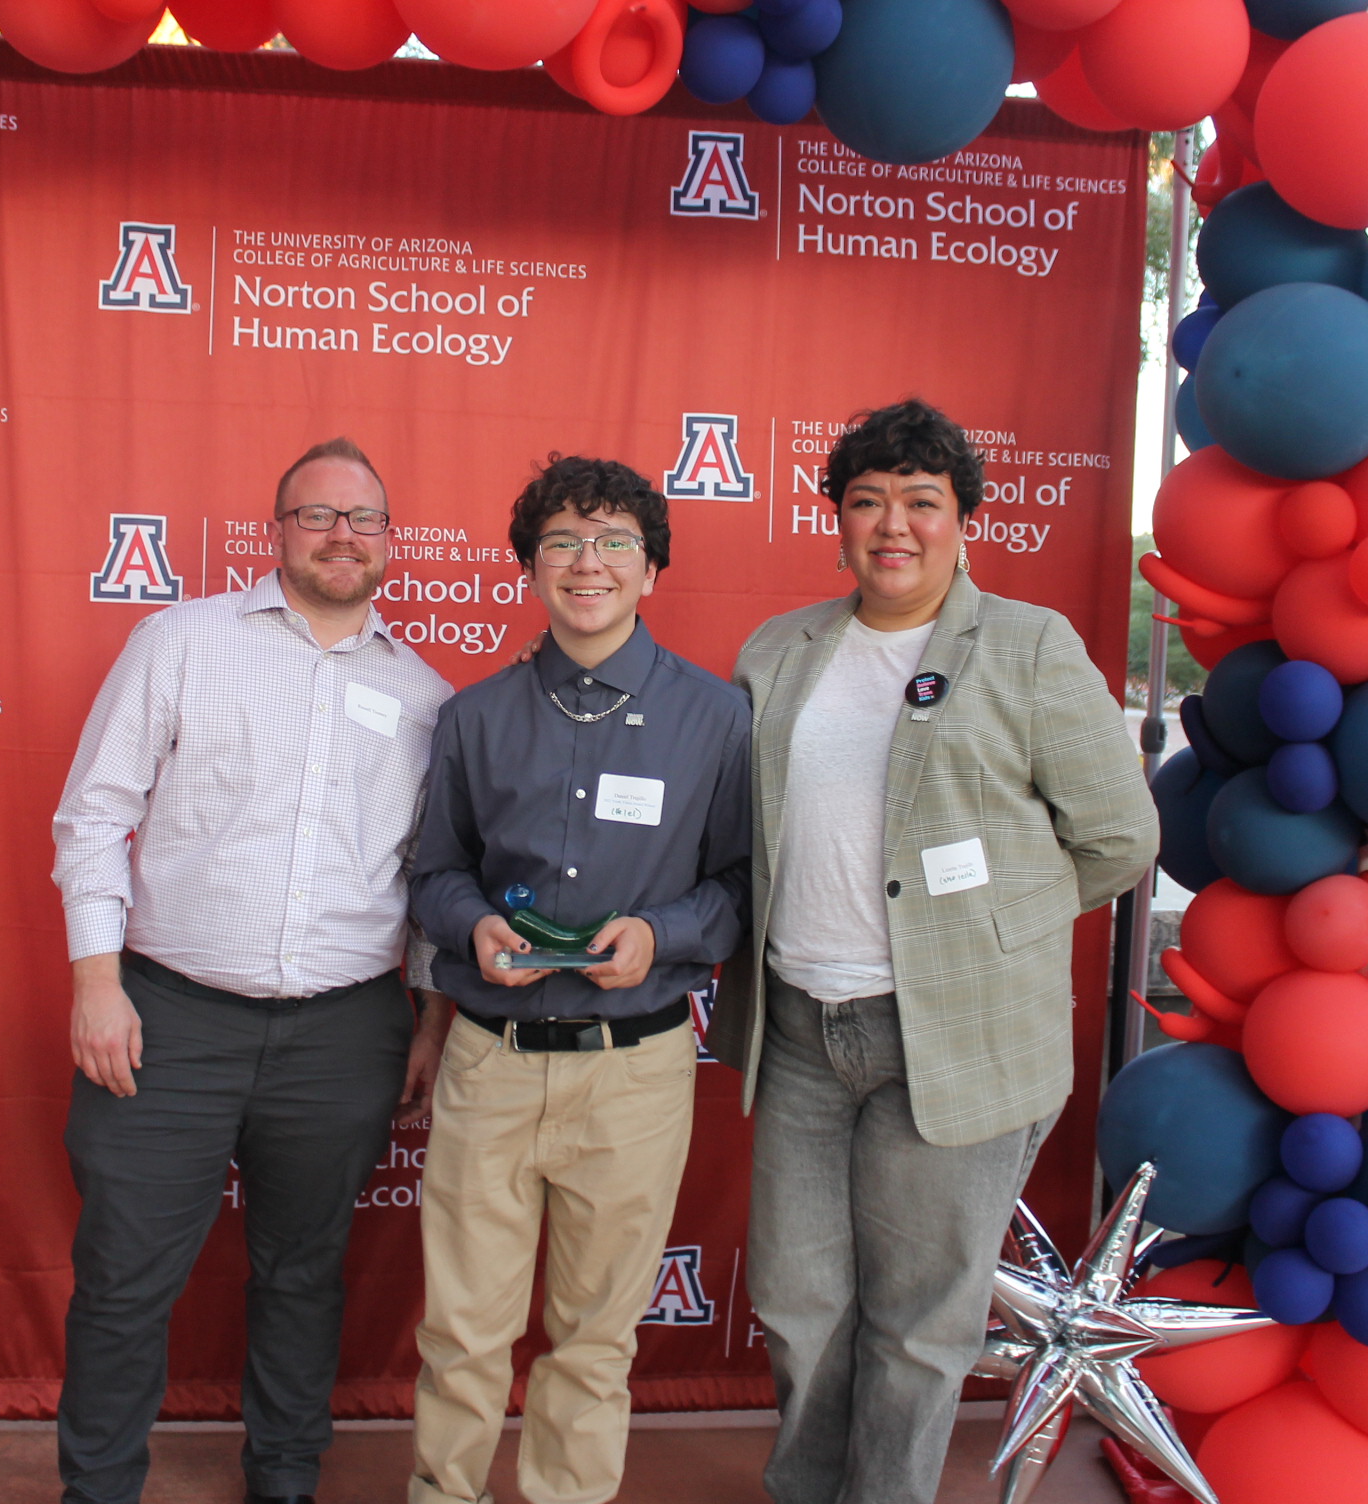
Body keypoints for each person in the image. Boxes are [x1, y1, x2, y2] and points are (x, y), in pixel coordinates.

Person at [709, 400, 1159, 1504]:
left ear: (965, 520)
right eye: (868, 502)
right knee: (799, 1299)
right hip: (804, 1028)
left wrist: (986, 929)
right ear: (839, 521)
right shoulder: (780, 648)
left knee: (920, 1320)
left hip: (954, 1037)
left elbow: (1118, 838)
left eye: (922, 502)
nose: (893, 525)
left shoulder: (1030, 645)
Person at [50, 437, 455, 1504]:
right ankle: (96, 1489)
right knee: (125, 1281)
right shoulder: (181, 642)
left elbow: (424, 875)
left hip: (344, 1031)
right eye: (318, 515)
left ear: (388, 542)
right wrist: (97, 981)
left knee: (302, 1274)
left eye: (363, 520)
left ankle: (283, 1479)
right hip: (169, 1018)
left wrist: (426, 1022)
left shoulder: (423, 696)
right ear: (275, 531)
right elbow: (96, 815)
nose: (341, 536)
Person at [405, 455, 751, 1504]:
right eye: (561, 540)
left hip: (634, 1072)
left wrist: (661, 930)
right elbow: (433, 875)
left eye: (613, 542)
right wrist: (475, 932)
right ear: (529, 567)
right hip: (491, 1060)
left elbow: (740, 885)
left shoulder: (718, 717)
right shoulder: (473, 717)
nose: (586, 562)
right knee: (462, 1330)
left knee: (596, 1338)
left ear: (651, 569)